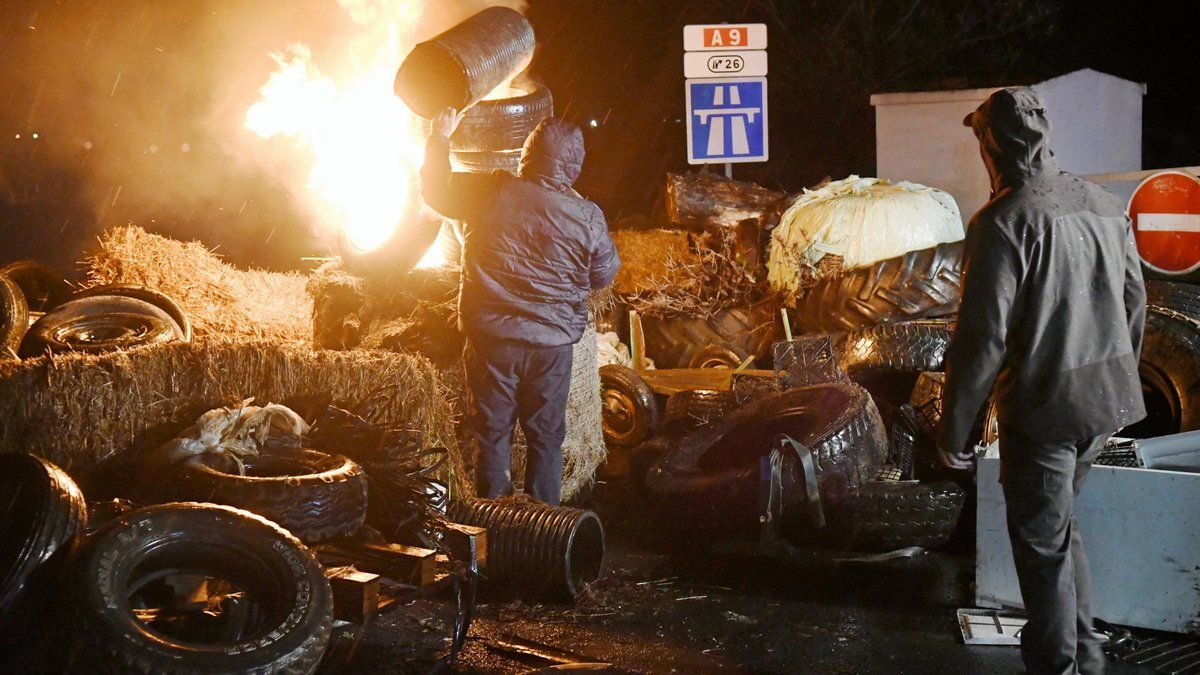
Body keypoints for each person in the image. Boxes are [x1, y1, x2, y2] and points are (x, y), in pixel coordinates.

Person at [937, 87, 1146, 674]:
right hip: (1104, 403)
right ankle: (1087, 655)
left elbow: (981, 343)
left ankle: (1059, 666)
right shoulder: (1106, 207)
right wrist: (1119, 379)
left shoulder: (1001, 222)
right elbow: (1134, 304)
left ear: (992, 144)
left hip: (1046, 408)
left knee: (1043, 549)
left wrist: (953, 430)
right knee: (1057, 531)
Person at [420, 107, 619, 506]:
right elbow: (604, 274)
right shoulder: (587, 217)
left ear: (528, 152)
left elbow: (435, 190)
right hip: (551, 347)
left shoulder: (489, 190)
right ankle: (543, 529)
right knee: (546, 437)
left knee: (492, 433)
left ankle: (494, 528)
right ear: (575, 164)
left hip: (493, 340)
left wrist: (439, 137)